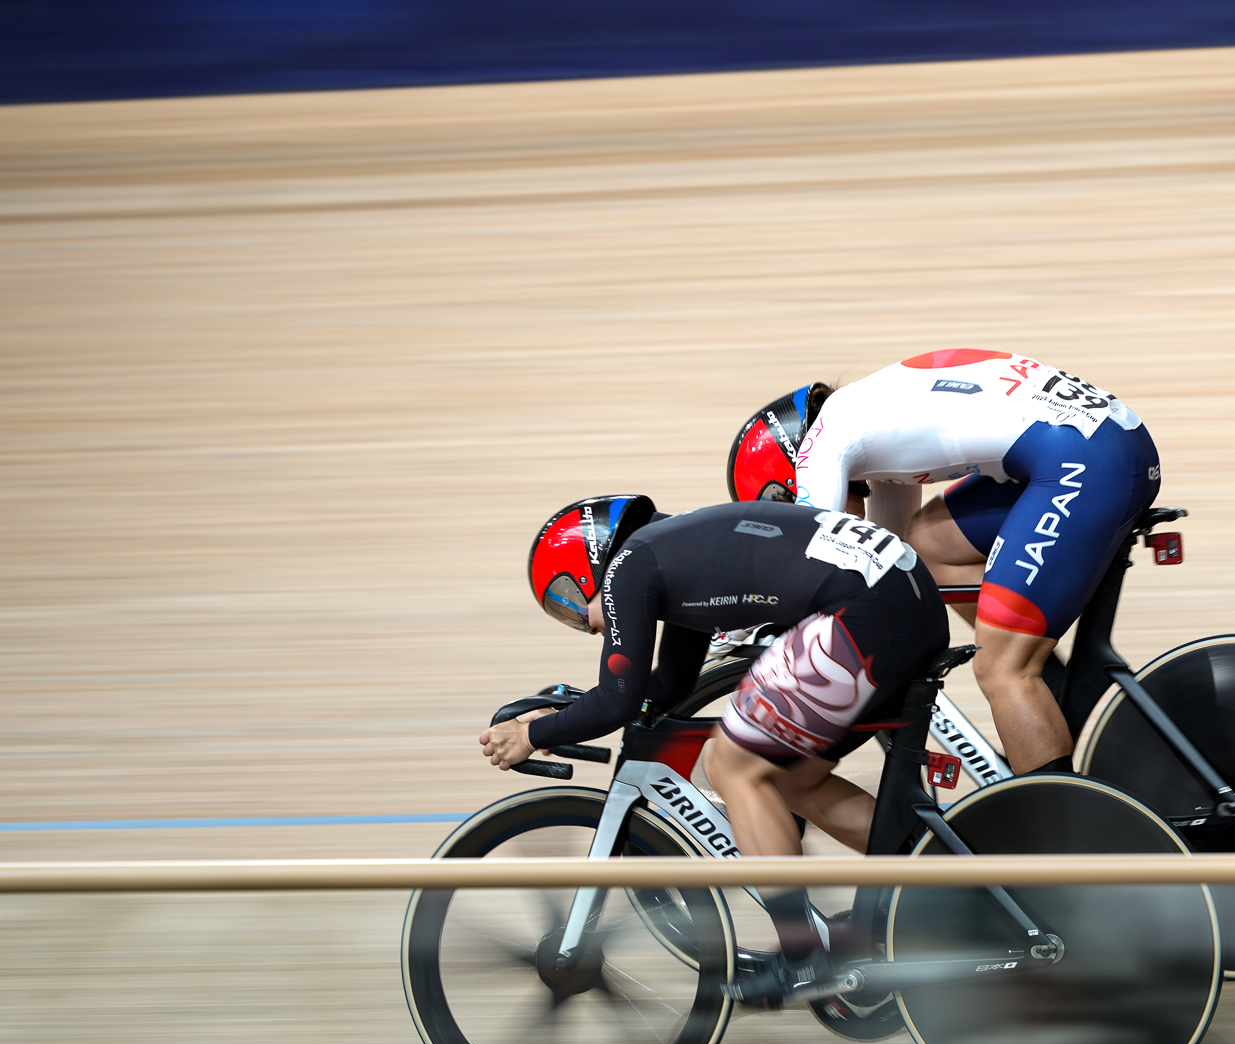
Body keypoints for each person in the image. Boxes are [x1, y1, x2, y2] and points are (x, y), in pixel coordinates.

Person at [481, 494, 947, 1008]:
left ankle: (803, 955)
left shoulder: (629, 569)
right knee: (790, 778)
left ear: (589, 565)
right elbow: (669, 682)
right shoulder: (673, 552)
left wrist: (531, 735)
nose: (583, 623)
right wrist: (570, 711)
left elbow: (617, 700)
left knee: (733, 764)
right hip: (902, 597)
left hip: (864, 609)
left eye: (567, 602)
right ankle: (951, 876)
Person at [726, 349, 1160, 774]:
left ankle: (1065, 831)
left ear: (786, 482)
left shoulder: (825, 441)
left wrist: (742, 617)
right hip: (1096, 440)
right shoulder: (868, 420)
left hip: (1082, 459)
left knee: (1001, 669)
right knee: (928, 545)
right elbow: (892, 554)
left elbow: (812, 548)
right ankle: (1051, 683)